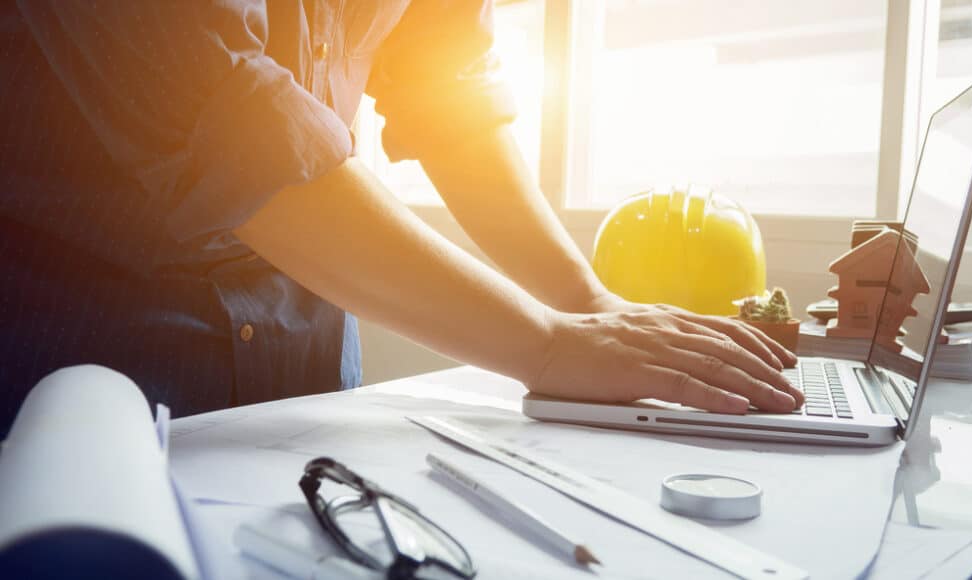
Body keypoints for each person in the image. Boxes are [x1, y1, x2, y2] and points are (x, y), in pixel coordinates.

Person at [0, 1, 802, 438]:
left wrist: (584, 302)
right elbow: (231, 119)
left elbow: (447, 81)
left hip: (305, 358)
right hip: (74, 365)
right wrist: (549, 344)